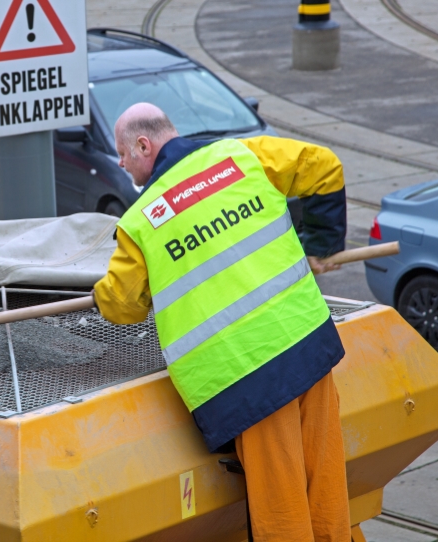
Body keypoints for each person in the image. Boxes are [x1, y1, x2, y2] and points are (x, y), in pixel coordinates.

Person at [93, 103, 350, 540]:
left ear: (143, 144)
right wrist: (321, 245)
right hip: (306, 342)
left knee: (281, 507)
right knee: (325, 486)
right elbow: (325, 167)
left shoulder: (140, 222)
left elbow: (121, 305)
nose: (119, 162)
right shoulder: (242, 156)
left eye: (122, 152)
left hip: (245, 376)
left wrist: (98, 295)